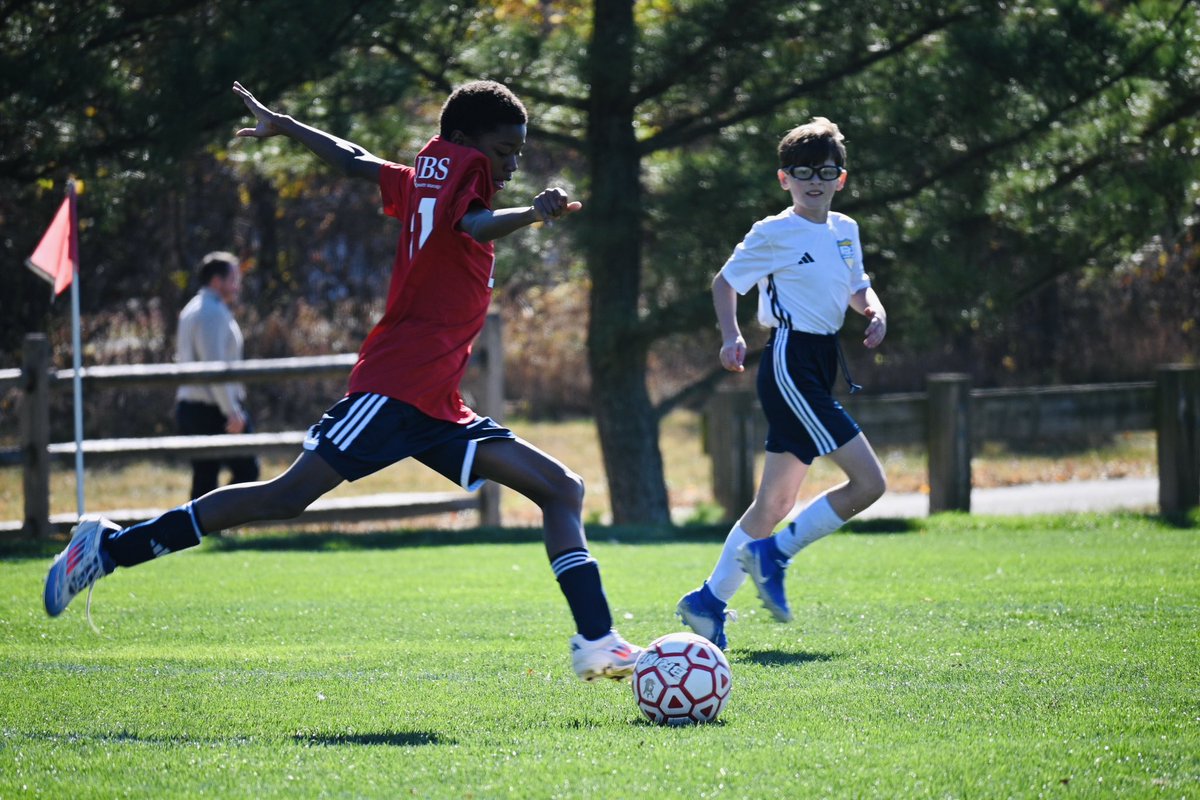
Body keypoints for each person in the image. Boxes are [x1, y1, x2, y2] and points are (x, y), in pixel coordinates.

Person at [44, 80, 642, 682]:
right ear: (463, 142)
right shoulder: (462, 190)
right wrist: (530, 215)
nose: (512, 163)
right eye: (504, 149)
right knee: (283, 498)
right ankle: (109, 549)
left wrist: (288, 125)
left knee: (561, 489)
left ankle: (597, 639)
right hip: (393, 389)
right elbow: (476, 225)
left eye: (519, 152)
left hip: (435, 405)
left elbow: (355, 160)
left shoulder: (423, 181)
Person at [676, 117, 888, 649]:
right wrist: (730, 336)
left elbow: (858, 286)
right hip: (789, 361)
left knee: (771, 506)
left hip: (821, 362)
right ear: (784, 179)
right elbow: (725, 282)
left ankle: (706, 603)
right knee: (870, 484)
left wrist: (873, 309)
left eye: (825, 171)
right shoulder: (775, 232)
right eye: (802, 172)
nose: (813, 181)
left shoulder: (846, 230)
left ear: (841, 177)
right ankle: (774, 555)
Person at [175, 251, 261, 500]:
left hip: (196, 406)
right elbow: (214, 367)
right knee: (246, 469)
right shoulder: (210, 312)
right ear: (217, 281)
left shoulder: (196, 308)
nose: (238, 286)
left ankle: (204, 530)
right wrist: (231, 410)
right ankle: (219, 522)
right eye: (233, 278)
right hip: (212, 408)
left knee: (205, 475)